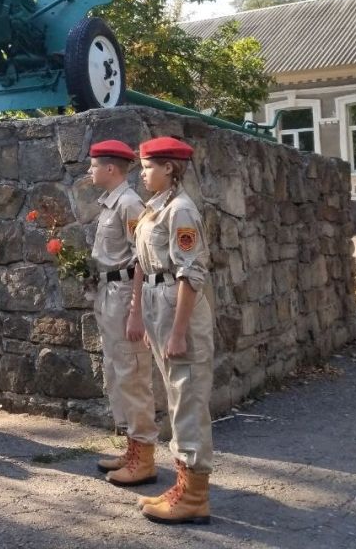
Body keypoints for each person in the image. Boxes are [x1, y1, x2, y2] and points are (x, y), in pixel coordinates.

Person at [133, 137, 213, 525]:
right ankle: (185, 483)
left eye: (148, 165)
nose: (142, 172)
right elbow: (146, 264)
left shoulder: (181, 210)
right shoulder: (156, 208)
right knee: (176, 395)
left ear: (170, 168)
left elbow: (191, 273)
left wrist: (178, 332)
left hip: (176, 304)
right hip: (158, 301)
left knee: (189, 397)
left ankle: (195, 495)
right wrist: (148, 320)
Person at [88, 140, 159, 487]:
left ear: (111, 169)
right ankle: (133, 448)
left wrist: (136, 312)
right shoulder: (111, 203)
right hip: (108, 292)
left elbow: (142, 260)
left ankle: (144, 457)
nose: (90, 171)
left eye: (94, 165)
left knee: (132, 371)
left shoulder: (130, 204)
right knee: (117, 370)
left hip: (123, 293)